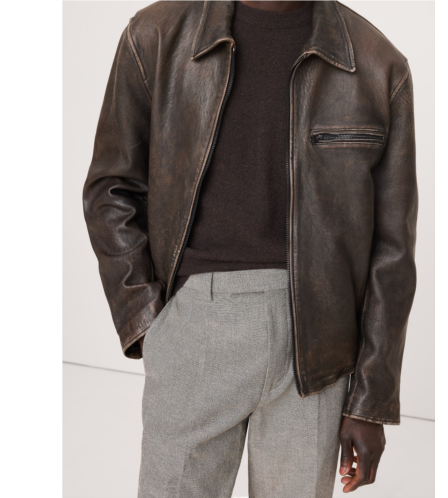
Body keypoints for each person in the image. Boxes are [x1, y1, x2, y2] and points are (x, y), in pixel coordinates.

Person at [83, 0, 418, 496]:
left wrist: (371, 400)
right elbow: (111, 189)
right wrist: (150, 325)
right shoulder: (156, 35)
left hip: (320, 351)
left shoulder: (376, 63)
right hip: (196, 325)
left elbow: (393, 250)